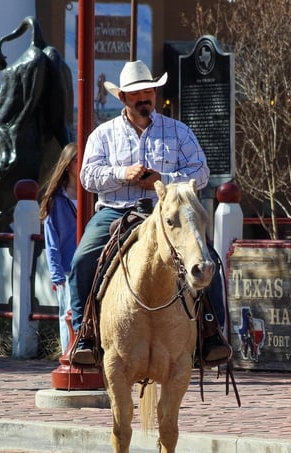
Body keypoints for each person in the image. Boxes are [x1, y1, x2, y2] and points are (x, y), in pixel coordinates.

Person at [66, 60, 230, 366]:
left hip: (167, 213)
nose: (145, 98)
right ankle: (84, 333)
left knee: (207, 256)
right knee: (82, 260)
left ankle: (212, 332)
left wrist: (163, 181)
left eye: (149, 92)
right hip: (116, 212)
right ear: (123, 98)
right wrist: (122, 173)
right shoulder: (103, 134)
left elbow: (201, 172)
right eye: (137, 94)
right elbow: (87, 176)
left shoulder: (178, 131)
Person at [39, 142, 78, 355]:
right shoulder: (56, 199)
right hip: (67, 266)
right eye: (76, 160)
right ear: (66, 164)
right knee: (68, 314)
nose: (80, 164)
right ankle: (68, 355)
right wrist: (56, 274)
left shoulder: (91, 193)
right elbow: (51, 240)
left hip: (90, 263)